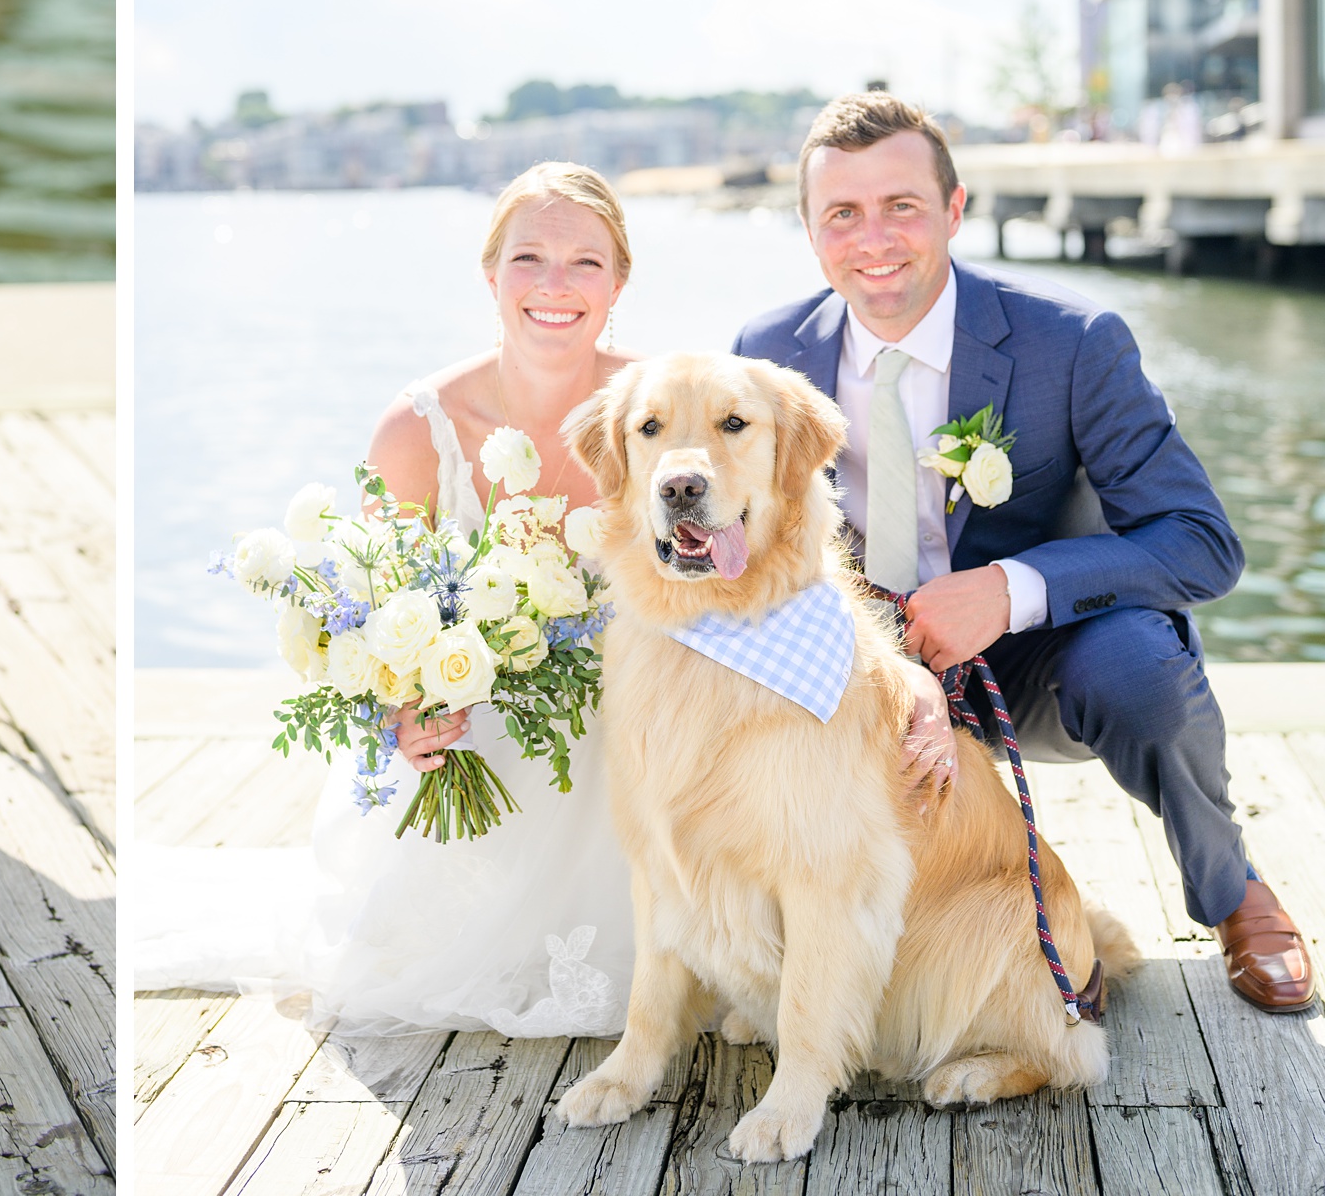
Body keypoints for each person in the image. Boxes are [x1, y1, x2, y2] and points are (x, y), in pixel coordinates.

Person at [137, 164, 956, 1035]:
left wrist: (911, 677)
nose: (555, 286)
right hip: (480, 748)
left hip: (645, 743)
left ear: (619, 283)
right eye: (528, 258)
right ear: (491, 275)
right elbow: (368, 621)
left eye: (585, 264)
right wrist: (400, 711)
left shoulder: (670, 406)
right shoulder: (420, 430)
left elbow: (794, 564)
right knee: (420, 959)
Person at [735, 91, 1313, 1014]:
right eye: (841, 213)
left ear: (956, 210)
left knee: (1144, 675)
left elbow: (1200, 542)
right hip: (859, 663)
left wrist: (1012, 589)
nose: (872, 237)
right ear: (809, 228)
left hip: (1038, 653)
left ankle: (1230, 886)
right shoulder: (764, 358)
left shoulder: (1073, 343)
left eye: (902, 207)